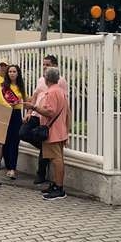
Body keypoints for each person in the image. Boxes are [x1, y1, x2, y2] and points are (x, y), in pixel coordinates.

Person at [25, 67, 70, 200]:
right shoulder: (61, 91)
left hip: (53, 131)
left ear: (46, 79)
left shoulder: (51, 93)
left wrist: (34, 107)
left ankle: (59, 188)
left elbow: (50, 112)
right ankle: (56, 185)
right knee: (57, 158)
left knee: (56, 160)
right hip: (59, 129)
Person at [2, 64, 27, 179]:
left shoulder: (21, 87)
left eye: (14, 71)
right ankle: (8, 166)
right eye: (10, 71)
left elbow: (26, 101)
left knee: (15, 141)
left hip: (16, 115)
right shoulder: (3, 86)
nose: (12, 73)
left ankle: (13, 167)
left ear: (18, 73)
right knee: (6, 142)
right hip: (6, 114)